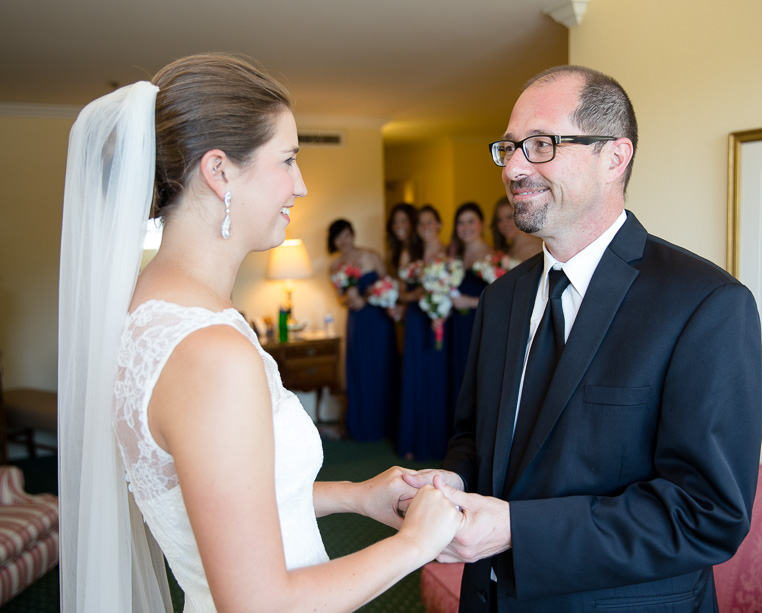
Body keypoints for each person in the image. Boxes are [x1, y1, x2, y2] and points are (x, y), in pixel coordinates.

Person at [57, 52, 464, 613]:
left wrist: (357, 495)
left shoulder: (152, 312)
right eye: (289, 159)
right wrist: (417, 542)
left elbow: (223, 501)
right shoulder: (211, 353)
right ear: (219, 170)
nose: (300, 185)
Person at [398, 65, 762, 611]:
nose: (514, 167)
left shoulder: (706, 305)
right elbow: (476, 436)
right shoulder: (502, 299)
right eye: (509, 147)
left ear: (614, 157)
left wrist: (518, 530)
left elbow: (707, 514)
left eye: (541, 145)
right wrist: (454, 477)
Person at [328, 218, 400, 443]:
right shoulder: (335, 266)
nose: (344, 240)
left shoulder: (370, 255)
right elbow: (340, 298)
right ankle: (363, 425)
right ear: (333, 241)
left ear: (353, 234)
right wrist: (348, 298)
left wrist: (366, 298)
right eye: (339, 237)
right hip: (356, 321)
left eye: (347, 234)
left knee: (381, 365)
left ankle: (386, 424)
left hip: (377, 318)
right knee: (361, 368)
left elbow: (389, 284)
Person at [397, 205, 452, 461]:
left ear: (439, 224)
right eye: (421, 224)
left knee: (438, 377)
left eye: (430, 222)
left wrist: (441, 304)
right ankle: (412, 440)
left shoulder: (450, 251)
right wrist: (418, 294)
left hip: (441, 320)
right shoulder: (410, 253)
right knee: (416, 376)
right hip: (417, 320)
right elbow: (400, 293)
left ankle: (438, 440)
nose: (425, 227)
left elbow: (455, 288)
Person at [447, 201, 492, 409]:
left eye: (471, 222)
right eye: (460, 223)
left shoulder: (493, 256)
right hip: (456, 324)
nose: (466, 227)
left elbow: (499, 299)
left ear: (481, 224)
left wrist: (469, 302)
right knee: (457, 374)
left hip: (478, 324)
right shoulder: (455, 256)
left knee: (475, 378)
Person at [386, 202, 423, 322]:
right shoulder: (393, 253)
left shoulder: (423, 248)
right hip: (408, 310)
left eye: (403, 221)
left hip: (423, 310)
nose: (398, 226)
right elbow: (399, 287)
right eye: (395, 222)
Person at [490, 196, 542, 262]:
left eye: (509, 217)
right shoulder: (507, 250)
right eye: (499, 220)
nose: (505, 224)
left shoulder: (535, 247)